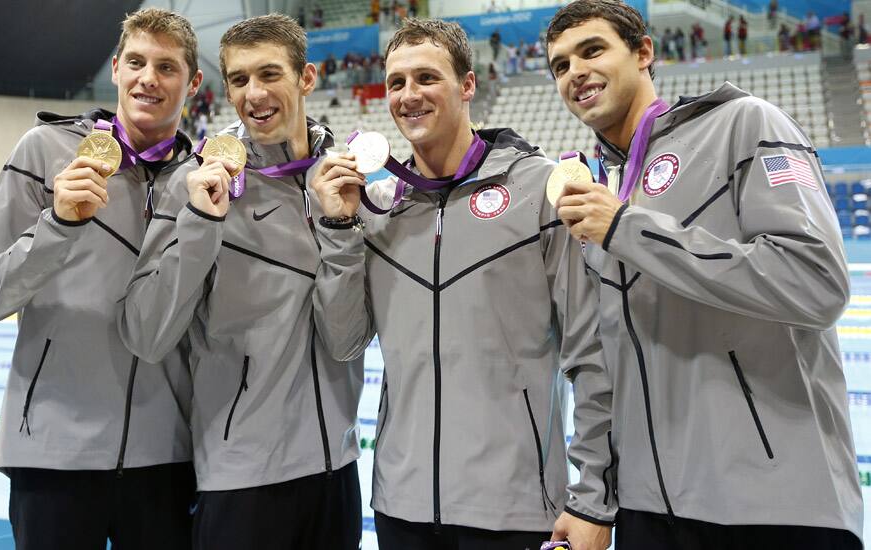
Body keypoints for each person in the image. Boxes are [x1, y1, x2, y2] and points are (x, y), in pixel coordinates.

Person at [545, 1, 864, 548]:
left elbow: (817, 281)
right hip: (648, 510)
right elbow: (598, 363)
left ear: (643, 52)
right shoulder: (598, 189)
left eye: (592, 50)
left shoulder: (744, 123)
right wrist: (594, 498)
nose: (575, 72)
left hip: (774, 505)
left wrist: (629, 227)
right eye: (560, 65)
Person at [311, 17, 595, 550]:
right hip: (401, 506)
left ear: (467, 86)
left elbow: (591, 350)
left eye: (426, 78)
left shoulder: (539, 190)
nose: (408, 95)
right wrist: (341, 229)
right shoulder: (379, 207)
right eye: (396, 83)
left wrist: (594, 495)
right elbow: (345, 340)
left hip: (515, 507)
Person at [0, 8, 203, 549]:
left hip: (166, 460)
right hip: (52, 455)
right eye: (136, 62)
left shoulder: (205, 182)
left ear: (194, 82)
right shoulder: (45, 152)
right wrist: (58, 224)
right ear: (115, 69)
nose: (148, 79)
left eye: (166, 67)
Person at [117, 14, 363, 550]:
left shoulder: (342, 181)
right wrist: (201, 224)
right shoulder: (196, 179)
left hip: (336, 468)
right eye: (239, 79)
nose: (254, 94)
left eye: (269, 74)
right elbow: (146, 334)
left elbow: (346, 341)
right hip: (241, 476)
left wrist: (341, 226)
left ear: (307, 78)